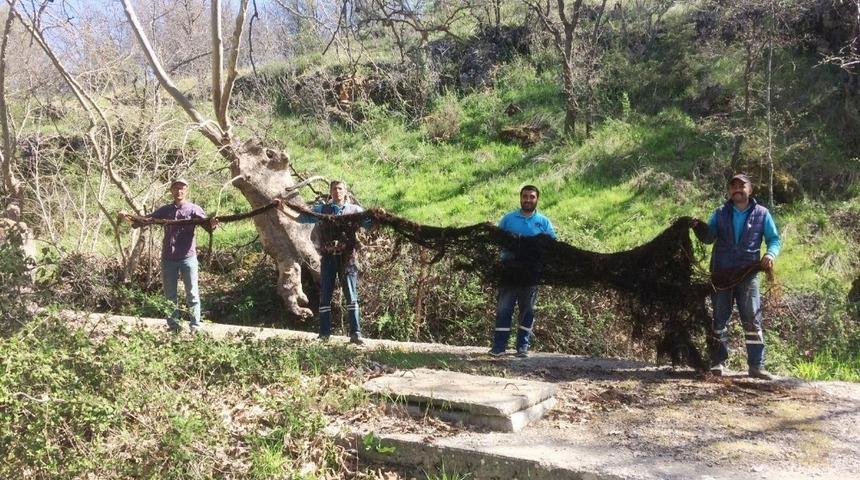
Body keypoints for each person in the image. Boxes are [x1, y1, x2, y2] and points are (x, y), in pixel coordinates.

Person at [693, 173, 781, 379]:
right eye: (733, 187)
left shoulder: (762, 214)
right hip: (721, 275)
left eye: (742, 186)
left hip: (748, 275)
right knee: (719, 320)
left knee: (752, 320)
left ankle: (756, 366)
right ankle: (717, 363)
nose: (737, 190)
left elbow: (774, 240)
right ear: (729, 191)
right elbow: (709, 238)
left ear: (750, 189)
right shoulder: (719, 213)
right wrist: (698, 227)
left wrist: (770, 254)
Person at [119, 179, 217, 332]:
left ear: (186, 190)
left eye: (182, 188)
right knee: (170, 295)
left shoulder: (194, 209)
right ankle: (174, 327)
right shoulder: (166, 210)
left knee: (192, 293)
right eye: (176, 188)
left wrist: (213, 224)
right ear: (171, 191)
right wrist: (127, 217)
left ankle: (195, 326)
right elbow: (146, 220)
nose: (179, 191)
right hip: (168, 258)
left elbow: (208, 226)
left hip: (188, 258)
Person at [297, 180, 369, 344]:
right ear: (330, 192)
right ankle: (324, 334)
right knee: (325, 296)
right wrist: (282, 209)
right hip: (328, 258)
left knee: (351, 296)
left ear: (345, 191)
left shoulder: (355, 210)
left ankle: (356, 334)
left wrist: (379, 215)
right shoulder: (322, 210)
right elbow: (301, 217)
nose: (337, 191)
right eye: (334, 189)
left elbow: (369, 223)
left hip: (347, 258)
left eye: (340, 188)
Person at [489, 185, 557, 358]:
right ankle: (499, 347)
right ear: (520, 198)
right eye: (525, 196)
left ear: (537, 199)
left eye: (531, 197)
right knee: (504, 308)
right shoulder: (508, 219)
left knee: (527, 310)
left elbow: (552, 245)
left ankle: (522, 347)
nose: (528, 200)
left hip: (531, 274)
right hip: (509, 272)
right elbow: (497, 239)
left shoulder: (543, 222)